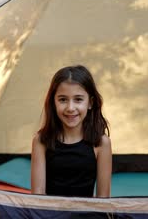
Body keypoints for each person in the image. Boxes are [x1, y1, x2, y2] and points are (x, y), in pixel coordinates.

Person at [31, 65, 112, 198]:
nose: (70, 108)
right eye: (63, 100)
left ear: (90, 103)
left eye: (78, 99)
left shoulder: (102, 143)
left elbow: (103, 200)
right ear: (53, 102)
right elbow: (37, 197)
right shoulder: (41, 141)